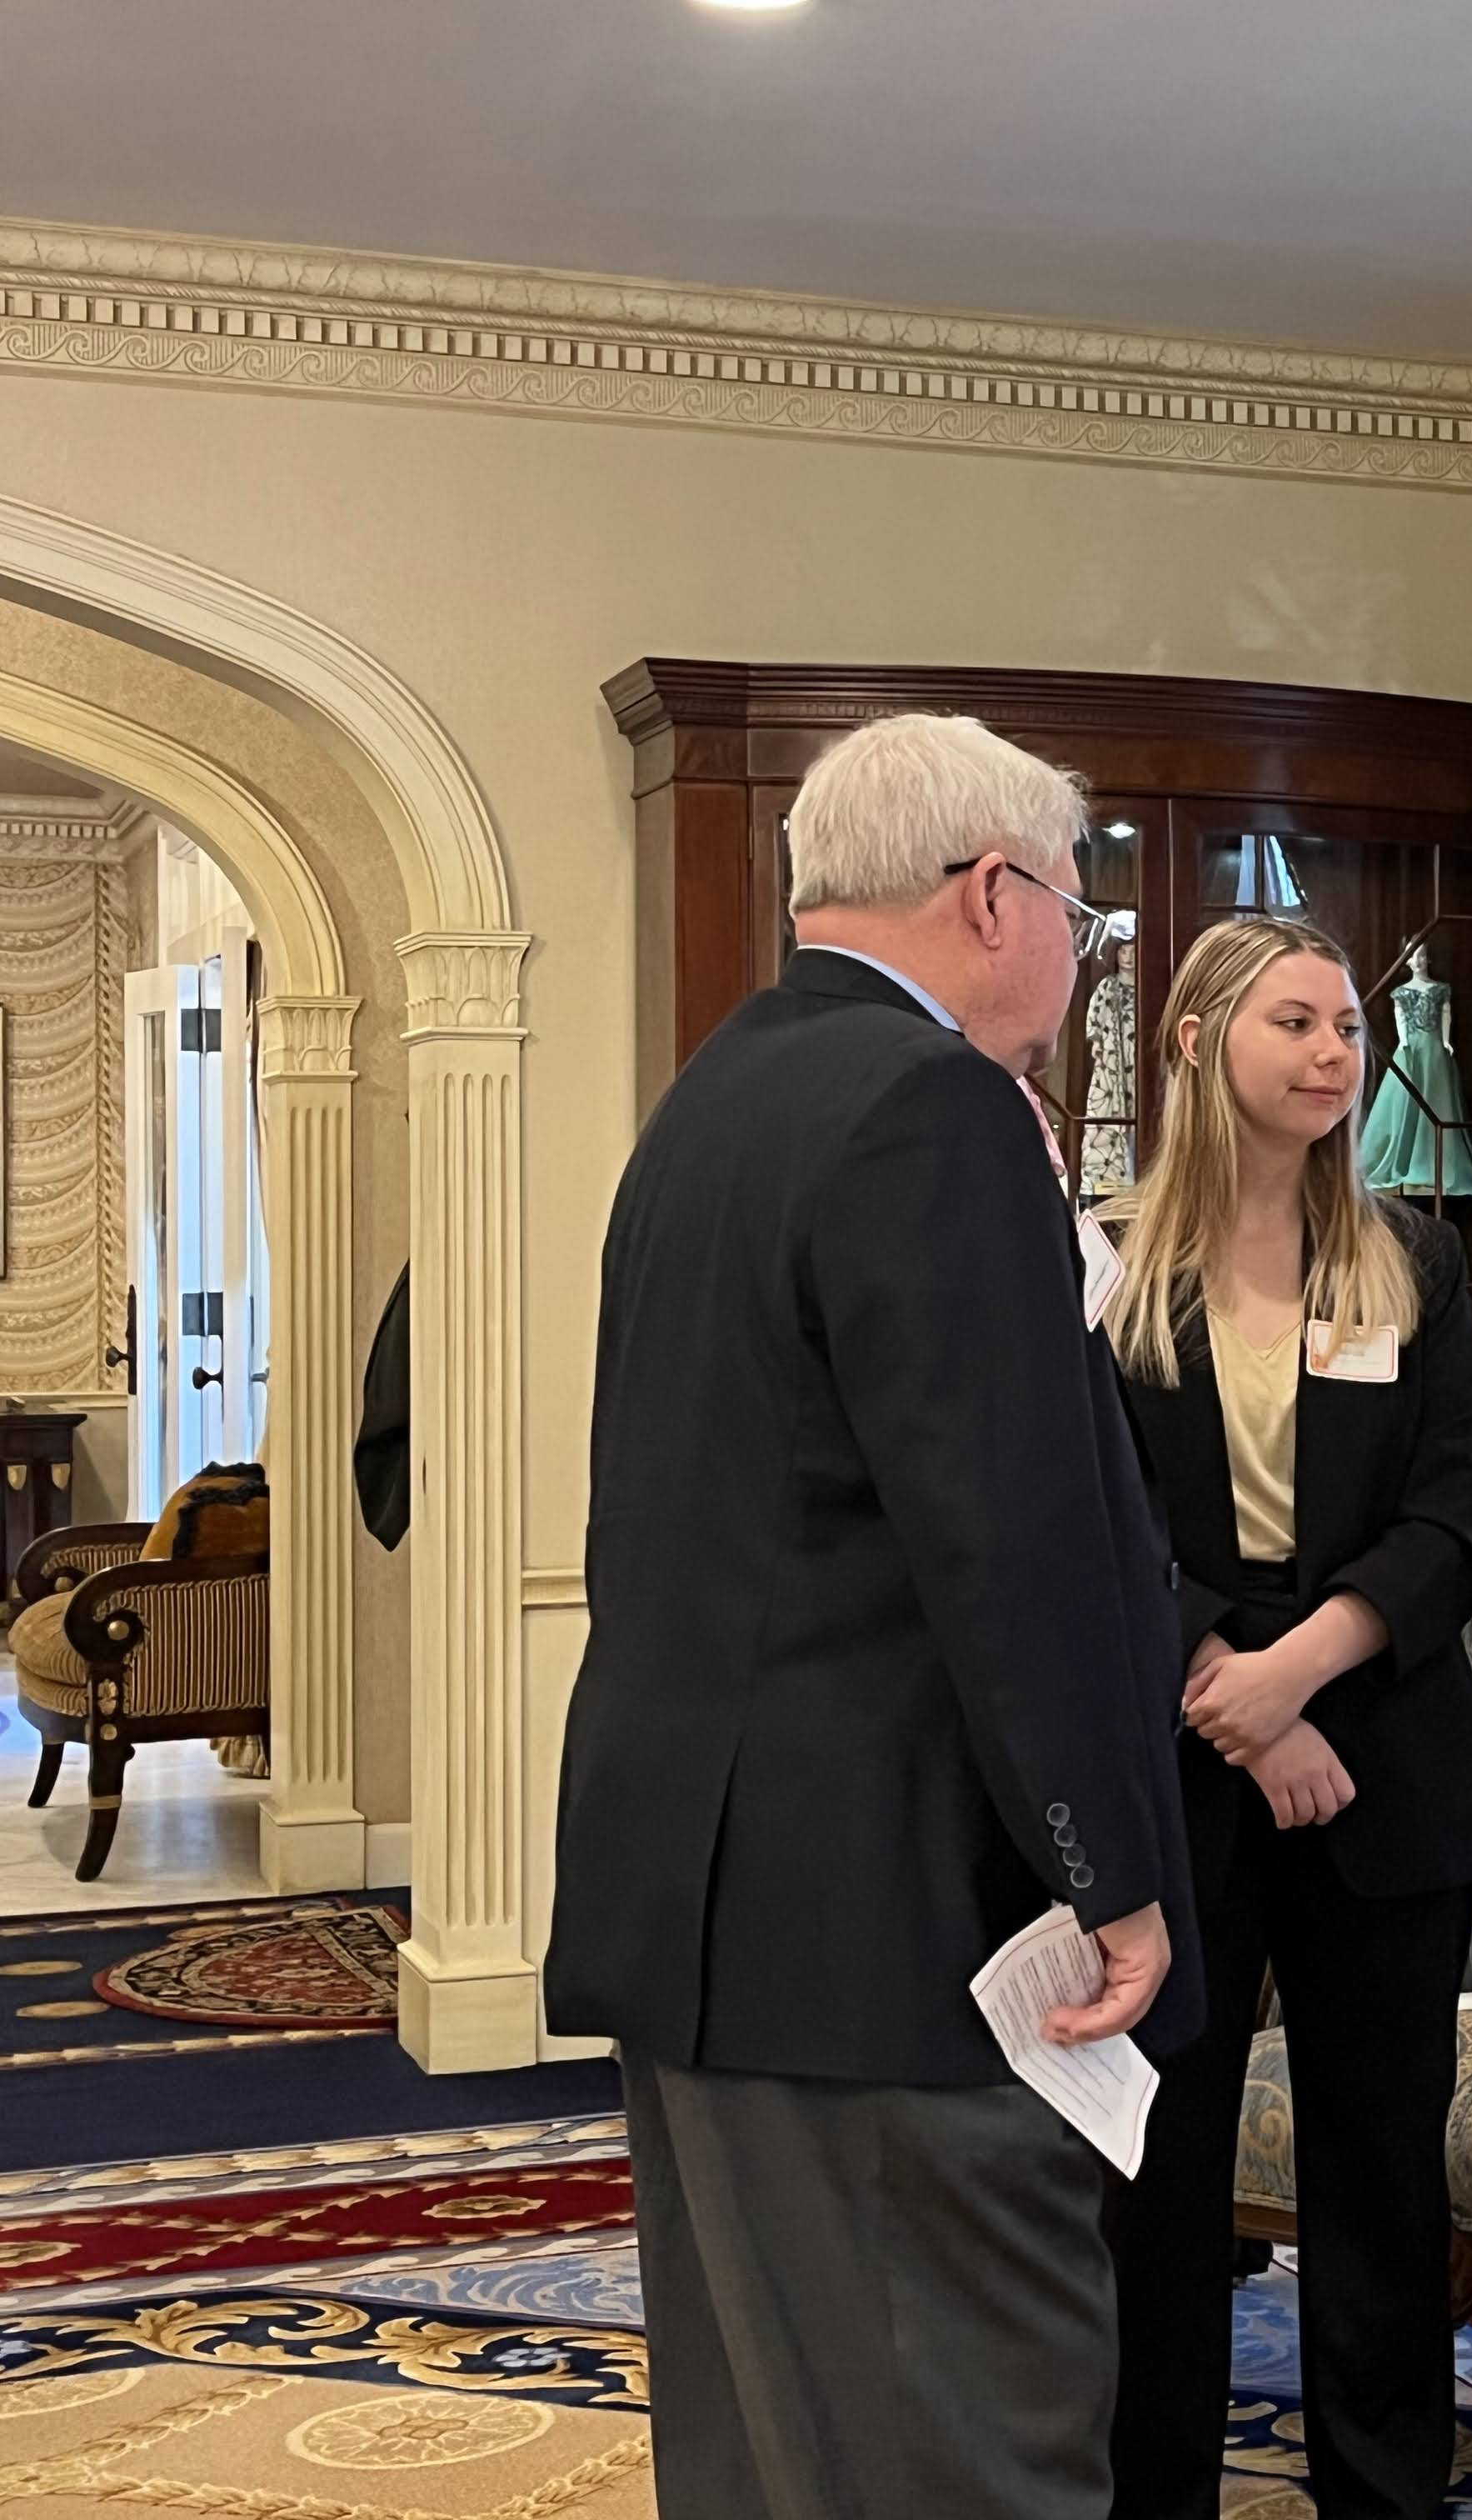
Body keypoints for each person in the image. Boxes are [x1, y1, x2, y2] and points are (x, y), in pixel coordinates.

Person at [546, 711, 1200, 2520]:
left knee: (773, 2448)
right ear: (995, 896)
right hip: (890, 1933)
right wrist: (1114, 1874)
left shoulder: (713, 1098)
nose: (1084, 953)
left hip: (710, 1908)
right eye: (1085, 910)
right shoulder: (935, 1112)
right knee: (963, 2441)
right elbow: (1012, 1539)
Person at [1099, 913, 1472, 2520]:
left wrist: (1304, 1674)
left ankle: (1387, 2496)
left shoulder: (1414, 1255)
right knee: (1165, 2183)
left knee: (1384, 2182)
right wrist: (1246, 1708)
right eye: (1299, 1022)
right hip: (1185, 1782)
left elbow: (1450, 1520)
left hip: (1386, 1773)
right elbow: (1099, 1532)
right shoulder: (1110, 1261)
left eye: (1349, 1026)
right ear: (1200, 1040)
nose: (1339, 1052)